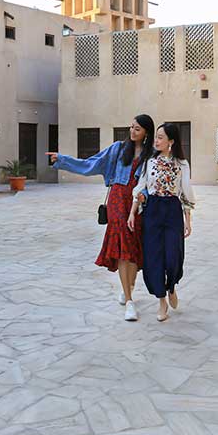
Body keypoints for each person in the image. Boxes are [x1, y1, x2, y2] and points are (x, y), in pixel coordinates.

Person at [47, 114, 154, 321]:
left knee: (133, 248)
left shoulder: (151, 156)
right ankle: (130, 302)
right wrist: (62, 160)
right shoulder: (118, 149)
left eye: (137, 129)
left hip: (137, 204)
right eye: (131, 127)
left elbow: (152, 183)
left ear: (146, 132)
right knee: (123, 248)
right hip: (116, 201)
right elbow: (91, 164)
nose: (132, 131)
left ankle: (128, 287)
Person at [128, 122, 195, 322]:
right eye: (156, 137)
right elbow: (141, 187)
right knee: (154, 257)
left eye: (160, 137)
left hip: (173, 210)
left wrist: (187, 220)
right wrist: (133, 212)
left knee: (173, 255)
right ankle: (161, 300)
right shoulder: (149, 161)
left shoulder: (182, 164)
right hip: (153, 211)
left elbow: (186, 191)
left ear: (171, 141)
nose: (156, 141)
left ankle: (172, 286)